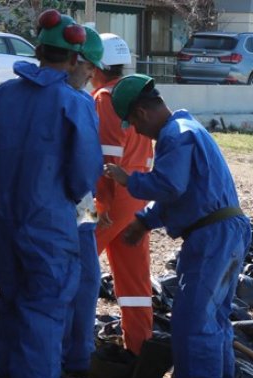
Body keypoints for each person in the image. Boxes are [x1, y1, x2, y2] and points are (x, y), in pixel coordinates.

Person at [0, 10, 101, 378]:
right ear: (75, 58)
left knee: (10, 298)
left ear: (40, 49)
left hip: (2, 219)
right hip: (47, 222)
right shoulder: (73, 103)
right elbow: (84, 175)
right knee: (44, 308)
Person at [104, 74, 251, 378]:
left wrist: (131, 180)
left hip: (212, 236)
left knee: (192, 319)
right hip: (225, 230)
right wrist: (144, 221)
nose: (138, 133)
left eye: (134, 125)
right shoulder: (189, 129)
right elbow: (184, 193)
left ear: (140, 113)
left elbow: (170, 186)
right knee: (214, 318)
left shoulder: (175, 135)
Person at [91, 32, 155, 356]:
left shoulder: (104, 97)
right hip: (138, 201)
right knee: (135, 283)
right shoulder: (136, 97)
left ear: (97, 65)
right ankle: (140, 350)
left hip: (112, 198)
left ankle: (64, 348)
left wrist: (96, 209)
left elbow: (106, 160)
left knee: (78, 265)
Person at [61, 25, 105, 378]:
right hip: (76, 204)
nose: (92, 73)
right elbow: (88, 168)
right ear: (74, 60)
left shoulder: (10, 95)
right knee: (86, 277)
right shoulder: (79, 102)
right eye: (89, 65)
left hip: (29, 207)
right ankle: (76, 357)